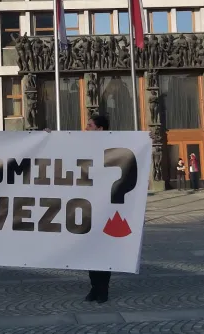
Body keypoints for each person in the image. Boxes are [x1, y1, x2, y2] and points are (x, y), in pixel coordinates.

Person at [85, 114, 112, 304]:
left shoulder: (114, 144)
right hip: (87, 204)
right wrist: (47, 136)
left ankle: (103, 290)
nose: (86, 128)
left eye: (90, 125)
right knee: (89, 249)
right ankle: (94, 287)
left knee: (104, 249)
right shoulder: (83, 143)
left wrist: (148, 138)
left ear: (100, 129)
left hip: (106, 205)